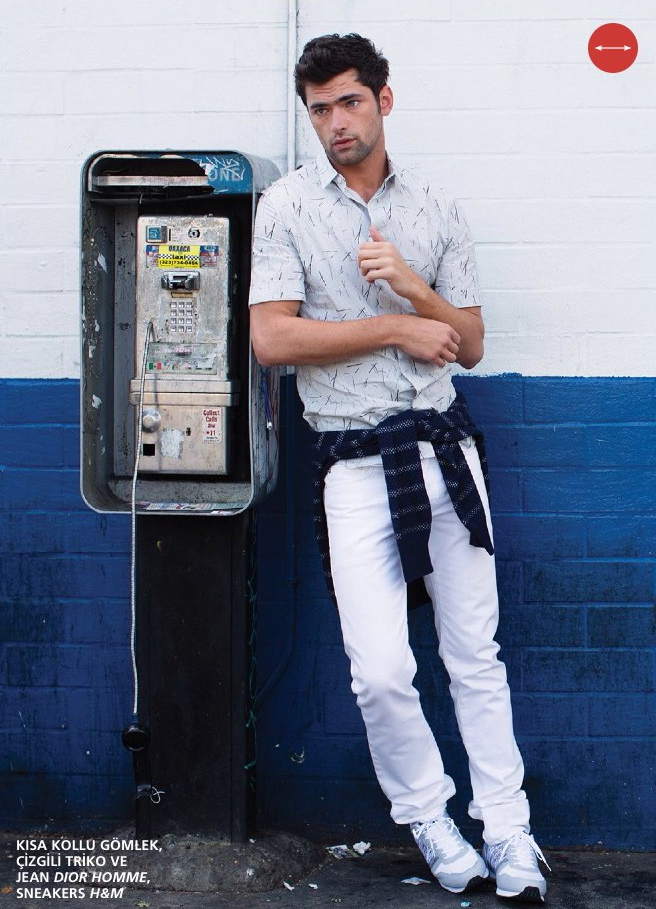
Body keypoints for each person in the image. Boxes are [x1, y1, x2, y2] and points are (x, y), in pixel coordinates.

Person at [249, 33, 549, 903]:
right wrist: (393, 328)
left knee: (473, 655)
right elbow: (271, 339)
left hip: (442, 449)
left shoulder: (440, 207)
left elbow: (475, 342)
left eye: (348, 101)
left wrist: (414, 292)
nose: (336, 123)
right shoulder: (286, 208)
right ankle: (427, 813)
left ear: (384, 99)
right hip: (350, 460)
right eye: (319, 110)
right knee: (378, 666)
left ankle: (510, 828)